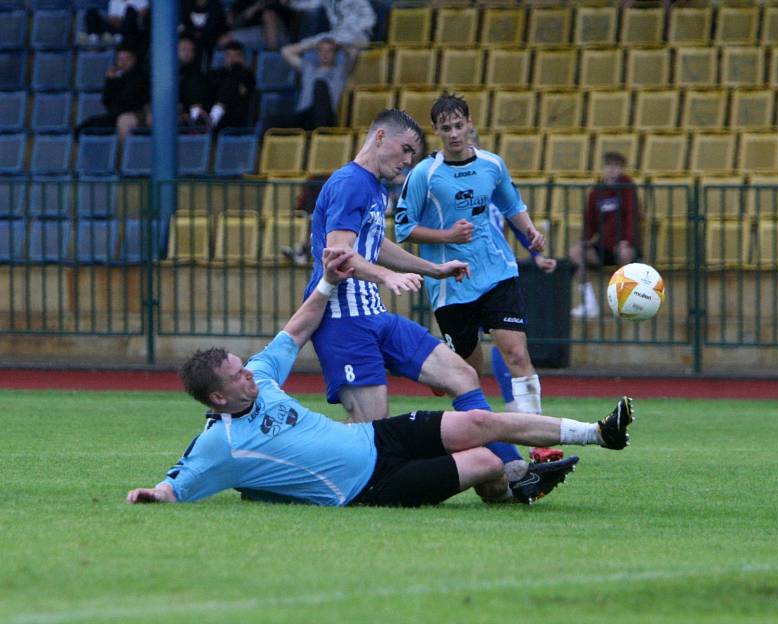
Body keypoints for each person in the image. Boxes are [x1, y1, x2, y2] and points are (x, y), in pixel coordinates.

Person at [126, 248, 636, 508]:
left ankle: (599, 433)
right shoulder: (223, 443)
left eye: (243, 366)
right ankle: (511, 489)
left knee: (482, 420)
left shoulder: (261, 374)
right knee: (484, 463)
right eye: (237, 376)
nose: (249, 374)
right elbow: (177, 485)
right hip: (369, 485)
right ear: (218, 395)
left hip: (375, 436)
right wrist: (155, 495)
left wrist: (327, 281)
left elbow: (296, 328)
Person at [304, 109, 537, 502]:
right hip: (343, 321)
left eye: (414, 153)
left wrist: (434, 268)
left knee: (462, 375)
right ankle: (282, 463)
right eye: (406, 149)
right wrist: (386, 277)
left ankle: (512, 473)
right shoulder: (349, 184)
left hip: (375, 316)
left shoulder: (374, 186)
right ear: (379, 137)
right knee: (372, 437)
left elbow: (374, 244)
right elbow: (339, 253)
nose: (409, 159)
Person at [394, 93, 549, 434]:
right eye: (446, 128)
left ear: (470, 125)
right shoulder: (425, 174)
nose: (453, 133)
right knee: (465, 374)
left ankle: (537, 438)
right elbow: (403, 229)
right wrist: (447, 235)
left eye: (459, 125)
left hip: (496, 272)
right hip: (452, 284)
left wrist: (531, 232)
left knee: (517, 355)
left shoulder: (491, 164)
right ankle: (476, 427)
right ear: (436, 131)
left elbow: (511, 204)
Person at [569, 151, 642, 319]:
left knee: (624, 254)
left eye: (617, 166)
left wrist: (627, 241)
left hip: (624, 244)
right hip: (604, 246)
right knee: (575, 253)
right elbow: (590, 222)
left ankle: (625, 304)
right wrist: (584, 241)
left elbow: (632, 216)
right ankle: (589, 303)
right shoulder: (596, 192)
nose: (612, 170)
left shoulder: (628, 188)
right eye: (609, 165)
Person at [75, 44, 149, 141]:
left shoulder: (140, 78)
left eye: (127, 59)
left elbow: (129, 100)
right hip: (114, 115)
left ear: (134, 60)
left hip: (132, 114)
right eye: (120, 59)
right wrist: (110, 82)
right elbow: (106, 101)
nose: (123, 63)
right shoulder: (116, 78)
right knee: (85, 127)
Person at [278, 37, 348, 130]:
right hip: (304, 117)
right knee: (269, 122)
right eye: (321, 50)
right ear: (317, 52)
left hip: (326, 118)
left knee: (320, 85)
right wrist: (312, 44)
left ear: (335, 53)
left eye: (329, 50)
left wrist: (340, 45)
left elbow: (353, 52)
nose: (325, 54)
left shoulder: (340, 71)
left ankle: (320, 135)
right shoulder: (309, 68)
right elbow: (285, 51)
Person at [207, 40, 256, 130]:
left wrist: (236, 69)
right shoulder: (215, 74)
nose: (232, 59)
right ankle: (213, 115)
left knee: (234, 78)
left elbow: (246, 93)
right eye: (229, 55)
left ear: (243, 58)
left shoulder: (248, 76)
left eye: (236, 56)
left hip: (235, 116)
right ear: (225, 57)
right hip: (212, 109)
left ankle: (214, 116)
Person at [177, 36, 210, 128]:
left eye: (190, 50)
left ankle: (196, 122)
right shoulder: (165, 73)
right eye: (183, 49)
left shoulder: (198, 75)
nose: (187, 53)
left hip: (188, 113)